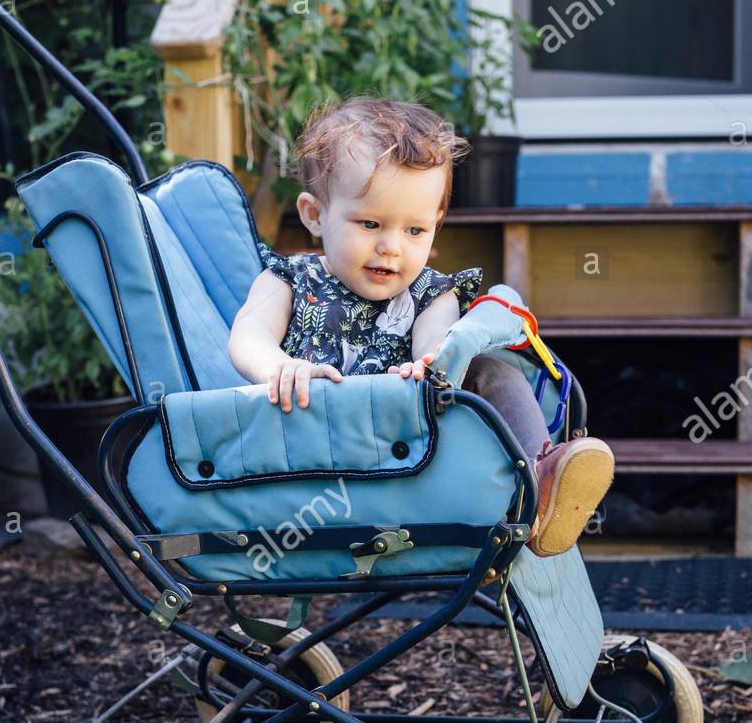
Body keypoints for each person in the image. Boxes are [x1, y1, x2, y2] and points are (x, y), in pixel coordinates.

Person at [228, 97, 614, 557]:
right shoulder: (289, 279)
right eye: (370, 223)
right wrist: (279, 368)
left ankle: (540, 483)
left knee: (489, 370)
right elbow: (247, 336)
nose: (391, 247)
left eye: (415, 231)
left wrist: (428, 366)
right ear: (314, 214)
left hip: (408, 453)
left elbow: (439, 344)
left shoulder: (432, 293)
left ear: (436, 225)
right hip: (314, 446)